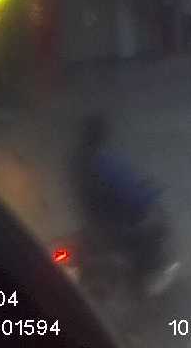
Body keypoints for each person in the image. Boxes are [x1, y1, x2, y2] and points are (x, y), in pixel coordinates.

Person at [71, 113, 177, 297]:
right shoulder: (104, 160)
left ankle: (135, 286)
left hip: (97, 221)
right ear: (102, 135)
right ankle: (141, 290)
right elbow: (129, 188)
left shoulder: (79, 160)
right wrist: (148, 196)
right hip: (117, 222)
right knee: (153, 238)